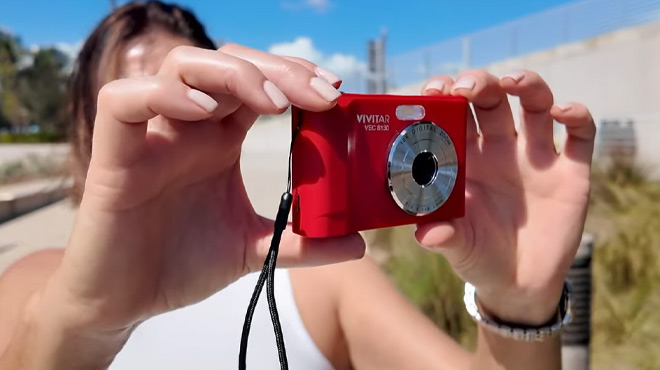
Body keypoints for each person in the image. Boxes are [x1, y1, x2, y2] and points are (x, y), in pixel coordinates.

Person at [0, 2, 596, 369]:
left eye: (185, 107)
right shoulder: (34, 290)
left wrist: (518, 308)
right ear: (88, 132)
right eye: (136, 109)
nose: (160, 136)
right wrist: (80, 323)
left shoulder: (323, 273)